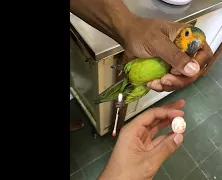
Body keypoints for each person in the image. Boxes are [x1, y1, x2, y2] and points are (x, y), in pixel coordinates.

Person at [70, 0, 214, 179]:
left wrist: (130, 26)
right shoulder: (161, 48)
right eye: (187, 35)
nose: (192, 44)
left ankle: (117, 96)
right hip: (131, 70)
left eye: (197, 45)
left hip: (139, 85)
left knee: (136, 91)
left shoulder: (172, 68)